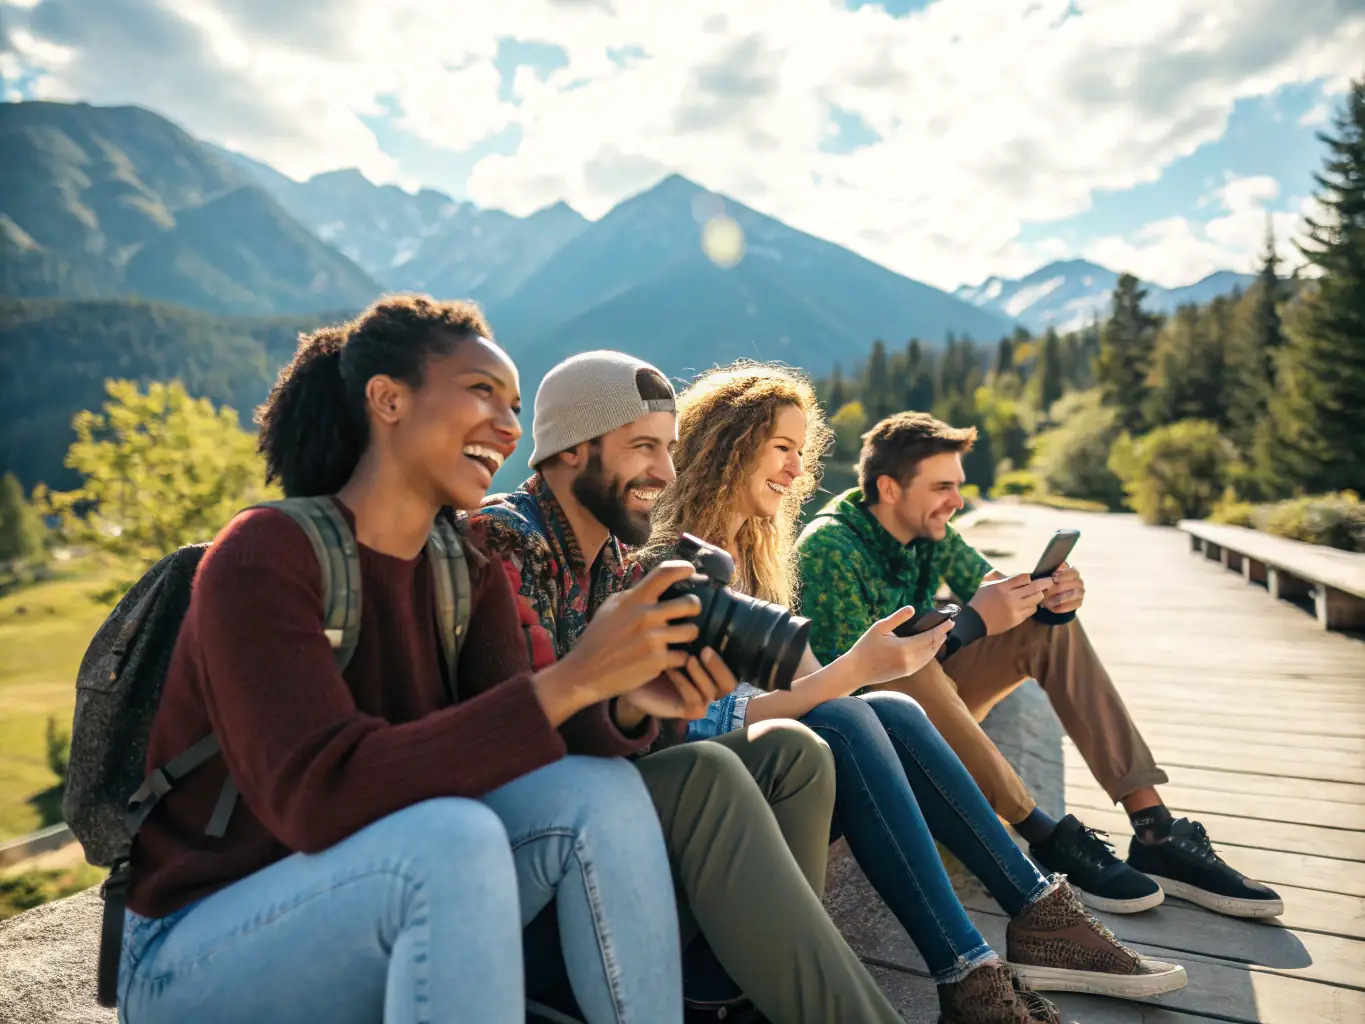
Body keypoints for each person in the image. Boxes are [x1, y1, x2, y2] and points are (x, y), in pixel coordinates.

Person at [118, 298, 703, 1024]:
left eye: (515, 406)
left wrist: (626, 694)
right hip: (198, 946)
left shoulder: (464, 565)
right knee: (452, 842)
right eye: (481, 391)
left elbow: (536, 738)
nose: (510, 426)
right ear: (388, 399)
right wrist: (576, 676)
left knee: (597, 792)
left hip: (378, 890)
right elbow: (319, 798)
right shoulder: (264, 556)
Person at [632, 361, 1187, 1023]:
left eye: (799, 453)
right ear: (728, 446)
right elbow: (699, 723)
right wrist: (862, 666)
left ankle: (1013, 934)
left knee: (884, 704)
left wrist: (1033, 603)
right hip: (707, 797)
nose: (793, 468)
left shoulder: (756, 556)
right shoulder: (670, 560)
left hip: (787, 772)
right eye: (781, 448)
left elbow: (808, 677)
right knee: (863, 709)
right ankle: (991, 947)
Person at [475, 350, 905, 1024]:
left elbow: (633, 728)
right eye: (642, 447)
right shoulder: (503, 540)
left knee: (794, 752)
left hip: (607, 805)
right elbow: (524, 739)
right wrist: (633, 708)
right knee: (704, 769)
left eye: (669, 450)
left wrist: (670, 707)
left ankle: (751, 992)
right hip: (532, 852)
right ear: (568, 450)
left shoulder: (615, 561)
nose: (663, 473)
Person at [795, 409, 1284, 921]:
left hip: (936, 706)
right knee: (905, 674)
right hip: (867, 735)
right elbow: (847, 685)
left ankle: (1153, 826)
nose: (957, 502)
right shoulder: (830, 547)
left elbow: (993, 587)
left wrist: (1049, 600)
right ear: (890, 489)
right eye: (942, 487)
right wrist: (971, 624)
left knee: (1049, 629)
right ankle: (1045, 836)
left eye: (959, 486)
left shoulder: (933, 534)